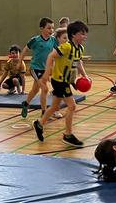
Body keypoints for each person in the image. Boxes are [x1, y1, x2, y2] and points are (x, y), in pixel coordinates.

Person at [32, 20, 89, 148]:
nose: (85, 36)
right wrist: (47, 73)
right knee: (72, 106)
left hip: (65, 81)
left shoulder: (80, 48)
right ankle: (68, 135)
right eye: (82, 33)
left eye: (85, 34)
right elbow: (51, 56)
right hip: (59, 80)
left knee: (54, 107)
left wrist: (85, 76)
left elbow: (78, 63)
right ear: (73, 35)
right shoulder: (66, 47)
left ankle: (39, 124)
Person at [20, 17, 55, 118]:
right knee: (44, 89)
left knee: (35, 90)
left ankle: (25, 104)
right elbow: (25, 49)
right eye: (49, 28)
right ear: (42, 28)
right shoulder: (35, 40)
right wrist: (20, 62)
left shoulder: (53, 40)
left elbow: (57, 53)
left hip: (45, 69)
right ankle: (44, 112)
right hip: (35, 68)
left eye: (52, 28)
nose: (51, 30)